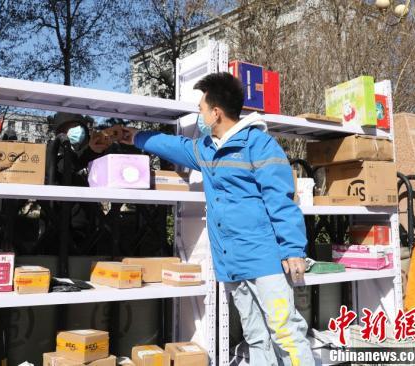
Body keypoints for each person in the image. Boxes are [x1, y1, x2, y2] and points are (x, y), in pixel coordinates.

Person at [119, 72, 315, 366]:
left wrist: (293, 248)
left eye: (201, 109)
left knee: (285, 332)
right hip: (230, 260)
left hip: (264, 258)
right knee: (255, 335)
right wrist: (135, 136)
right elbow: (174, 147)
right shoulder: (206, 148)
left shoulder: (258, 145)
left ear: (216, 113)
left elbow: (281, 199)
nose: (199, 115)